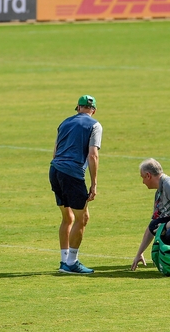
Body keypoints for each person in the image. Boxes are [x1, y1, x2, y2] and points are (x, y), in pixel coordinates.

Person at [49, 95, 102, 275]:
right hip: (72, 173)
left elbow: (55, 150)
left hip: (55, 170)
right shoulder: (95, 125)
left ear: (78, 108)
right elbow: (93, 155)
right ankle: (72, 262)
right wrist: (94, 183)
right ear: (93, 110)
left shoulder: (64, 123)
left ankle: (65, 260)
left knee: (68, 218)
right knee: (82, 218)